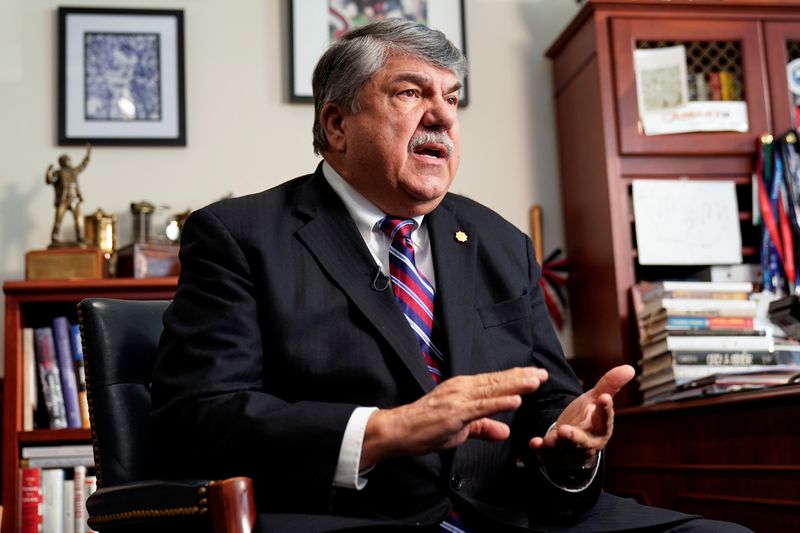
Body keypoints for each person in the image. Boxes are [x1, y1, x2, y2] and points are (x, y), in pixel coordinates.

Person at [151, 20, 751, 532]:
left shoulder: (500, 241)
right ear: (336, 125)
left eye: (452, 98)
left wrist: (571, 443)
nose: (441, 116)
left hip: (512, 513)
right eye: (411, 93)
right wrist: (386, 430)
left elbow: (549, 400)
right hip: (353, 518)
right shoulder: (241, 235)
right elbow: (198, 419)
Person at [45, 144, 91, 245]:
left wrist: (88, 154)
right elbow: (50, 180)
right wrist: (49, 172)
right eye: (66, 159)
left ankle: (80, 237)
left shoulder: (73, 171)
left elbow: (83, 165)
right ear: (62, 161)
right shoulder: (58, 172)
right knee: (58, 219)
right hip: (63, 199)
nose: (68, 160)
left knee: (78, 219)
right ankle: (54, 237)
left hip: (74, 199)